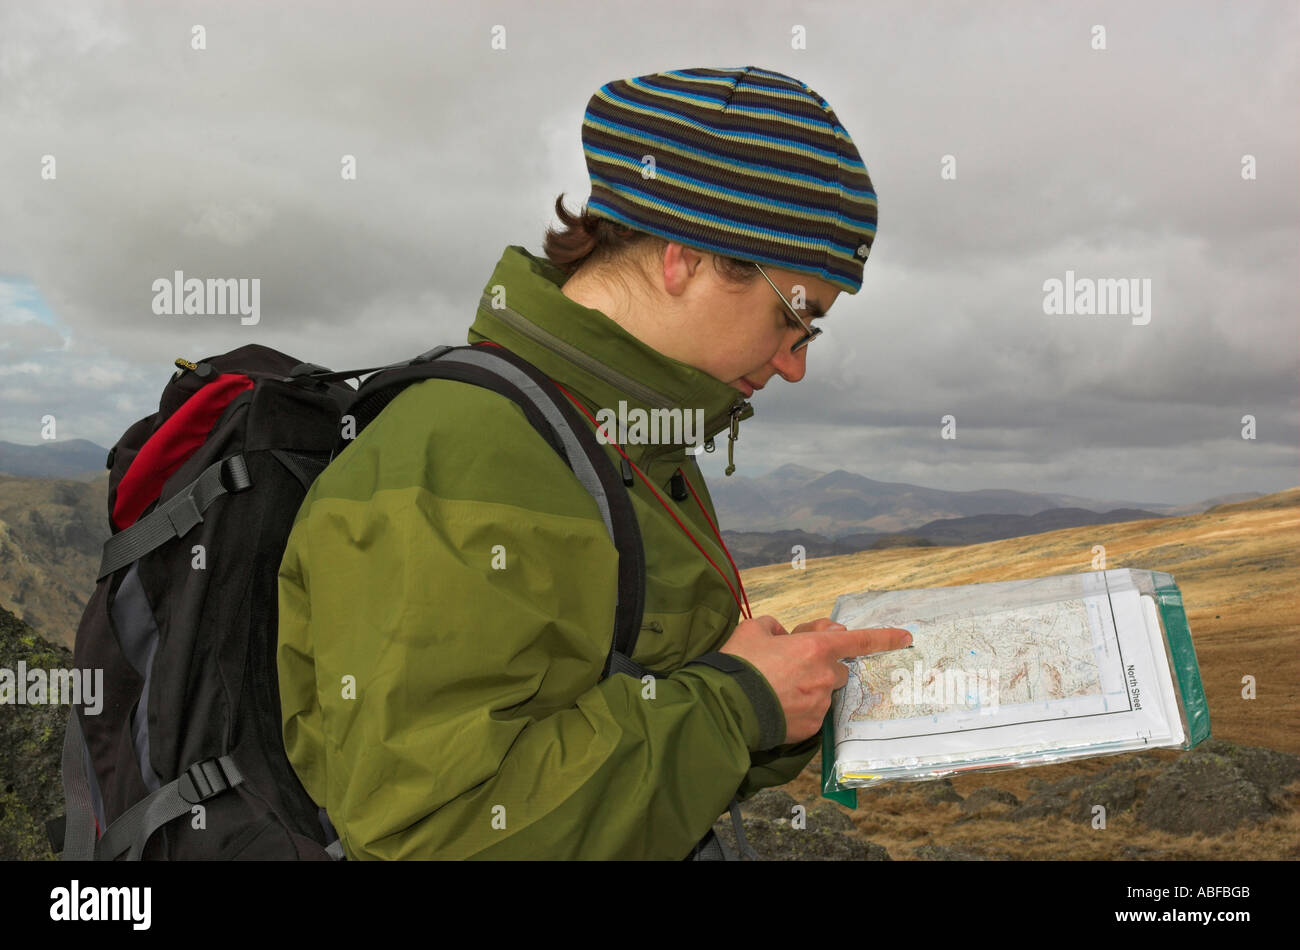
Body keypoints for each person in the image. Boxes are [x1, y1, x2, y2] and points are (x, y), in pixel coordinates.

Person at [276, 65, 911, 860]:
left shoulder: (627, 437)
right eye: (798, 317)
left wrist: (781, 697)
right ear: (687, 258)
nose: (795, 364)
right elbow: (434, 833)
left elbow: (628, 730)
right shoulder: (463, 453)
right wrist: (735, 703)